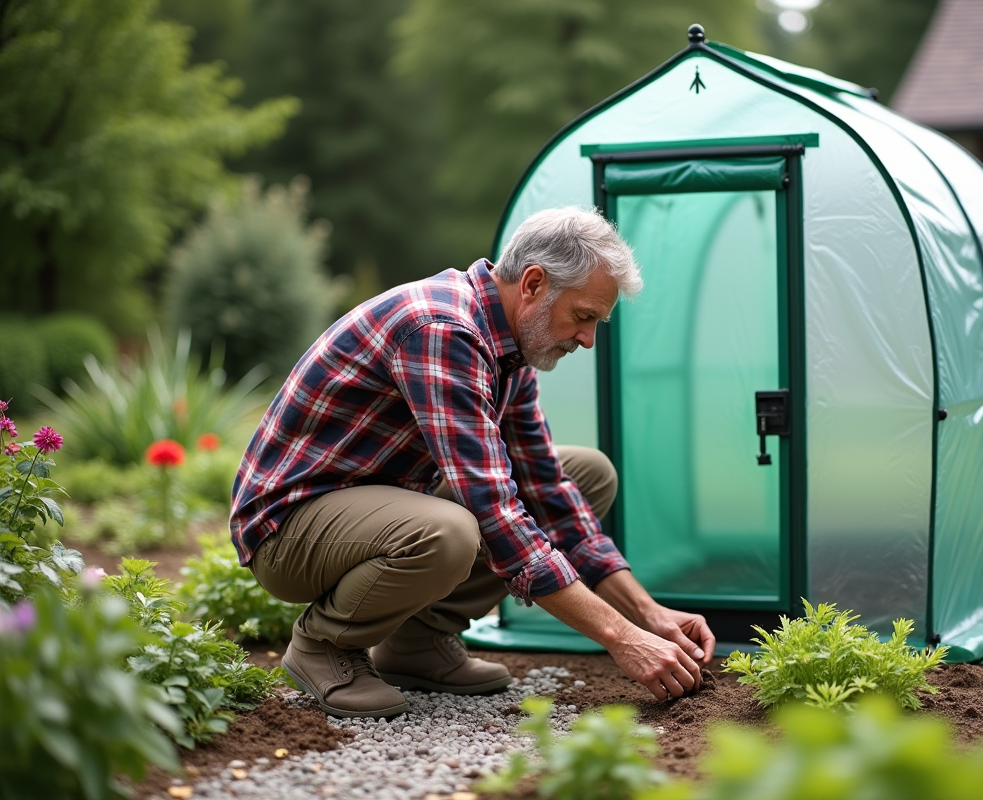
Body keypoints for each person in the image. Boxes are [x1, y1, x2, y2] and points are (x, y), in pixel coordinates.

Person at [230, 206, 717, 719]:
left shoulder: (512, 347)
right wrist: (621, 638)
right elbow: (493, 510)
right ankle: (325, 645)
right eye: (583, 316)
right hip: (290, 530)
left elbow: (546, 488)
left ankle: (417, 642)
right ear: (533, 284)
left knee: (586, 474)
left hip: (376, 511)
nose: (588, 339)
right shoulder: (442, 328)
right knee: (452, 530)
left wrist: (648, 613)